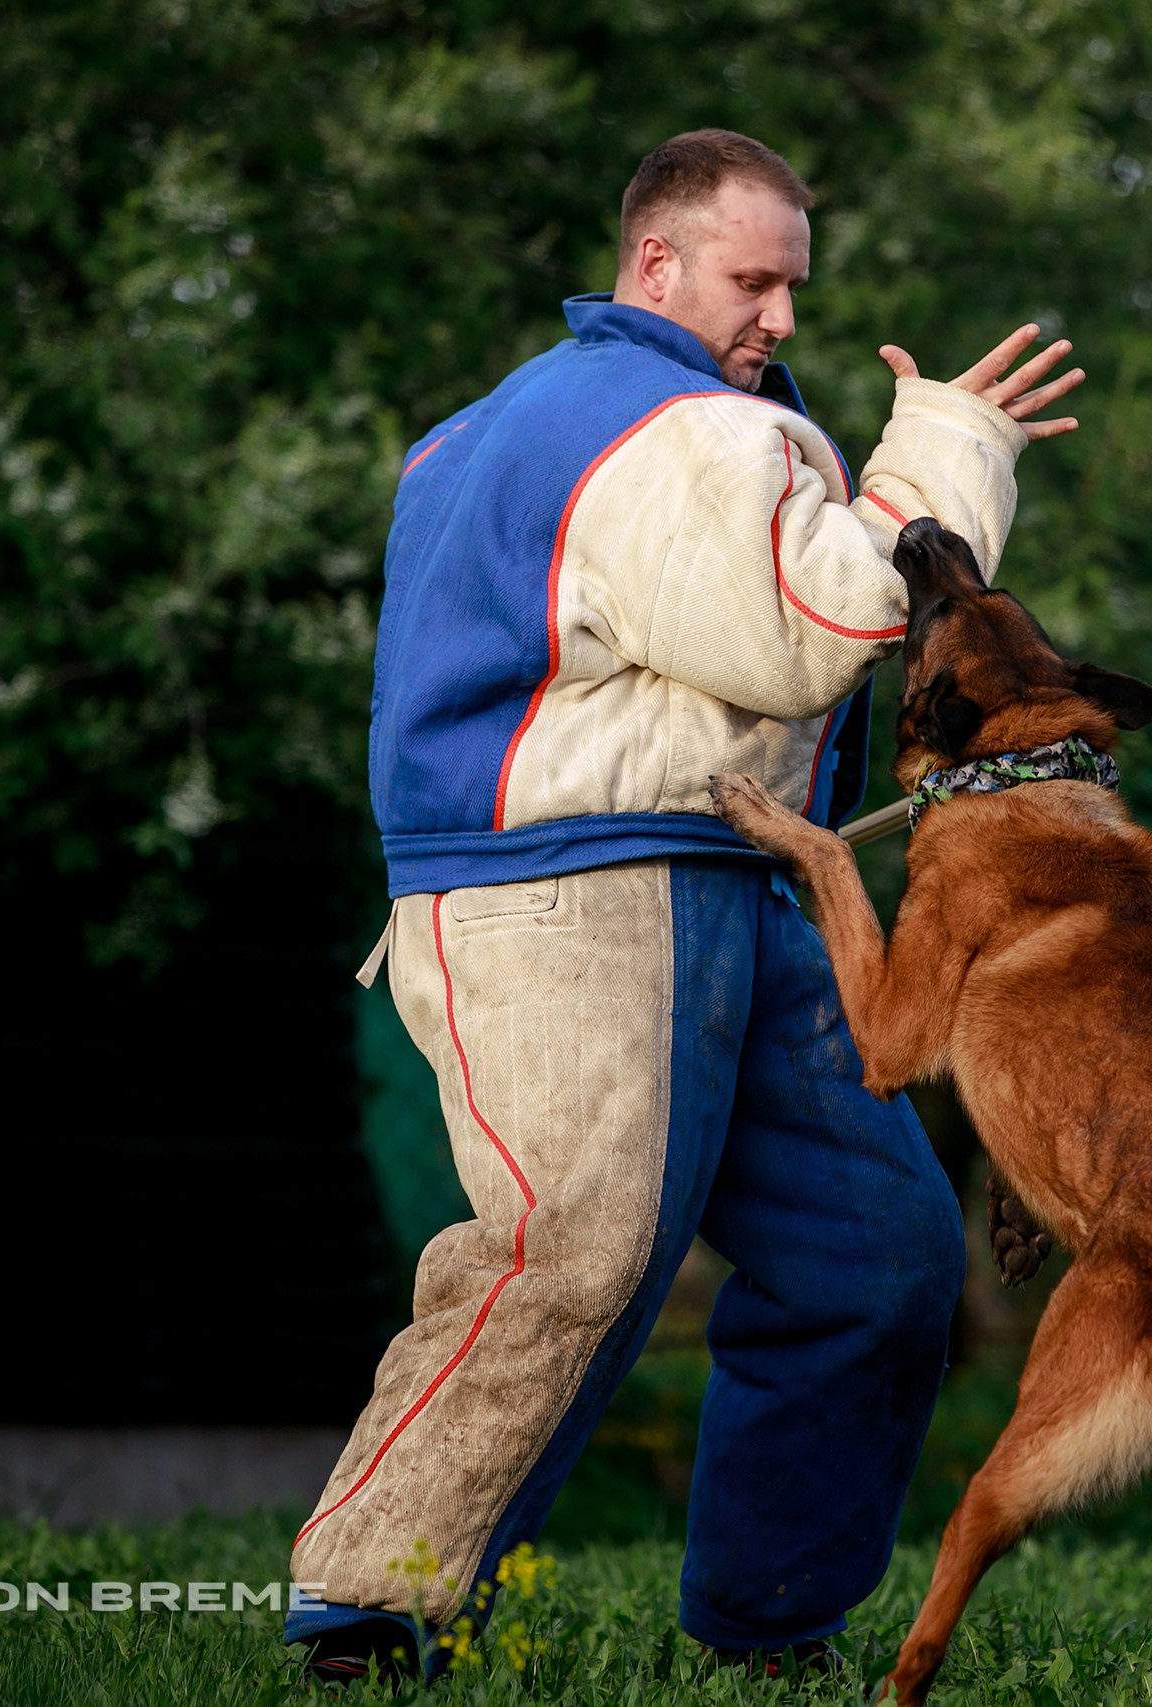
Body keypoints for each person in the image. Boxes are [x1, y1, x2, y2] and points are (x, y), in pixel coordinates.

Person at [283, 128, 1084, 1685]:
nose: (783, 314)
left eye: (795, 280)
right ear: (655, 264)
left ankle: (770, 1629)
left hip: (726, 880)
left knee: (875, 1258)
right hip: (570, 897)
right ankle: (365, 1612)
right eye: (754, 278)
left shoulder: (553, 421)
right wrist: (953, 446)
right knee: (574, 1251)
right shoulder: (658, 425)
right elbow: (825, 623)